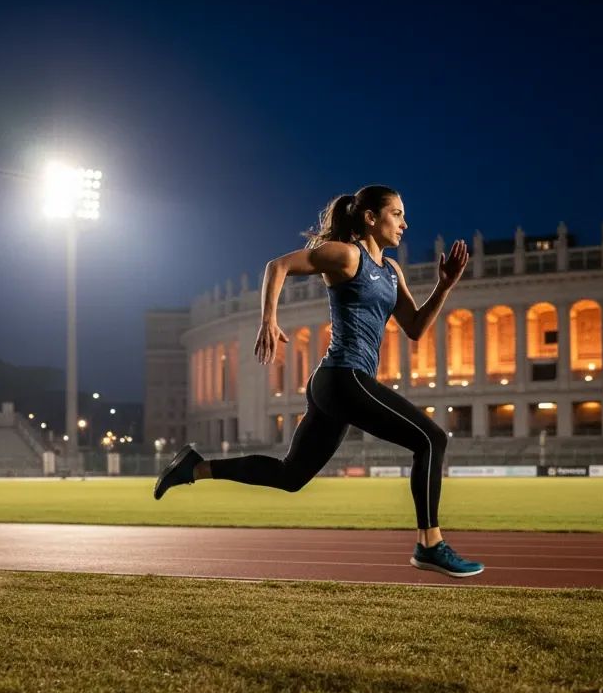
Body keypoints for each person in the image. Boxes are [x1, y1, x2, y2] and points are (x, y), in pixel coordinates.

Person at [154, 185, 483, 578]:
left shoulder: (392, 273)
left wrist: (445, 285)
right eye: (396, 213)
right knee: (432, 439)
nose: (404, 223)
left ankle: (194, 468)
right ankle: (430, 544)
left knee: (291, 476)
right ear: (370, 218)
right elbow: (278, 266)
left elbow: (414, 327)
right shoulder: (346, 255)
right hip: (342, 377)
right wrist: (268, 320)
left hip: (339, 385)